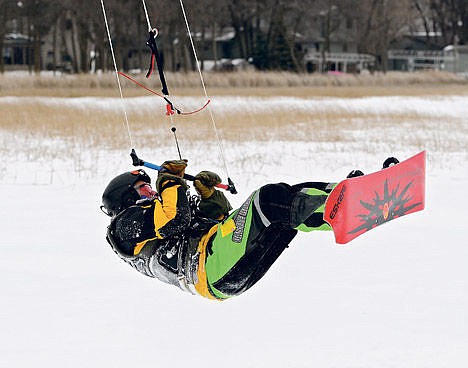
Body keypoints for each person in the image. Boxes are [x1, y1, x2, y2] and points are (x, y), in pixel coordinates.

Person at [102, 159, 339, 300]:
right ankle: (345, 209)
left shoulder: (153, 214)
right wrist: (168, 180)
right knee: (267, 200)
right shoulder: (124, 225)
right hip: (209, 267)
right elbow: (175, 219)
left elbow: (221, 221)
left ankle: (350, 193)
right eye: (143, 188)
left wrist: (209, 196)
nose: (151, 191)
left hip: (219, 263)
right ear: (126, 196)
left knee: (285, 199)